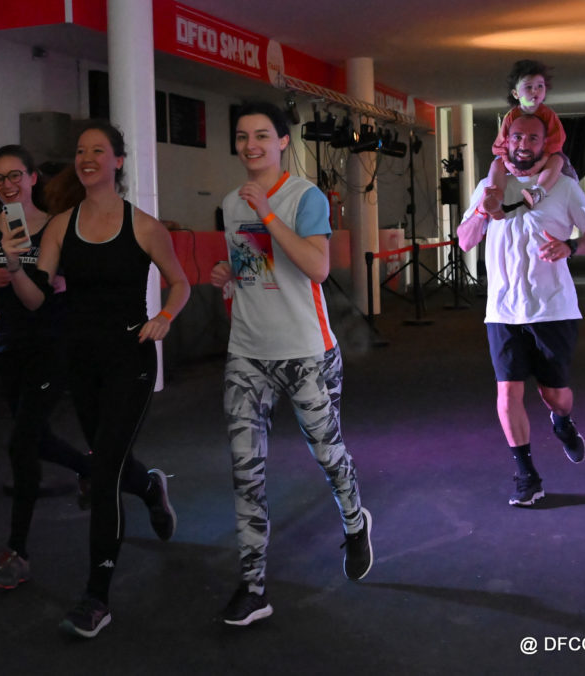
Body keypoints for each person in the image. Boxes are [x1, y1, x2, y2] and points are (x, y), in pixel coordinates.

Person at [2, 120, 190, 639]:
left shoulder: (144, 226)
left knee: (103, 473)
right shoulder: (61, 226)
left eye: (98, 150)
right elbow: (36, 298)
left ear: (118, 161)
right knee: (112, 462)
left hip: (130, 361)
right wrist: (15, 268)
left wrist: (165, 317)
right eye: (81, 151)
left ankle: (96, 598)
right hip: (80, 362)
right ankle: (150, 487)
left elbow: (179, 282)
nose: (87, 158)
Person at [209, 101, 372, 627]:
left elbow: (317, 268)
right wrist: (230, 274)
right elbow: (258, 269)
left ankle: (355, 522)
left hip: (306, 352)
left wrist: (267, 214)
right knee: (246, 471)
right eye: (242, 136)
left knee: (327, 453)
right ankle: (253, 586)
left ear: (283, 141)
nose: (250, 145)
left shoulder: (305, 197)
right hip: (247, 352)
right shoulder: (231, 202)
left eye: (262, 135)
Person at [0, 145, 93, 590]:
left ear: (33, 177)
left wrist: (62, 281)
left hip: (53, 345)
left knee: (21, 443)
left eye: (15, 175)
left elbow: (82, 282)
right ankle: (117, 477)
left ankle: (17, 551)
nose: (7, 185)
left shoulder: (58, 227)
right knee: (35, 438)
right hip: (9, 346)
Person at [457, 114, 585, 507]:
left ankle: (562, 421)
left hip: (554, 309)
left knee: (555, 395)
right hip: (503, 311)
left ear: (545, 143)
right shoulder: (489, 186)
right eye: (517, 136)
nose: (524, 144)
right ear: (506, 140)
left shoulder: (565, 187)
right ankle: (527, 475)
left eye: (533, 138)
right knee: (507, 390)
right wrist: (482, 211)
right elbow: (465, 241)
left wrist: (570, 247)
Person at [482, 59, 574, 218]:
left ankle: (538, 192)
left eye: (540, 86)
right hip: (514, 157)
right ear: (516, 94)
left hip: (546, 155)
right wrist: (508, 163)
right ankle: (495, 197)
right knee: (496, 164)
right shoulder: (511, 117)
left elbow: (555, 142)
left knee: (558, 160)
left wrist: (541, 162)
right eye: (529, 87)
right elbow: (502, 144)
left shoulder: (548, 115)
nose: (535, 91)